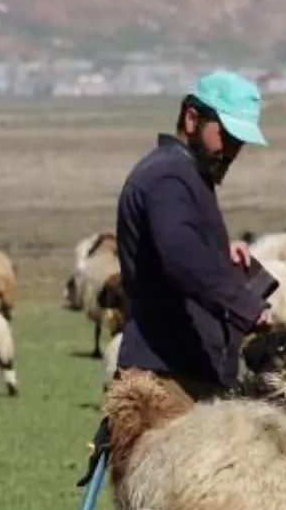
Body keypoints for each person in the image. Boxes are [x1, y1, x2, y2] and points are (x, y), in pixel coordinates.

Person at [111, 69, 275, 407]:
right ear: (191, 118)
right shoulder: (170, 176)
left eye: (239, 141)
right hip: (167, 378)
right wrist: (246, 306)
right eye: (226, 136)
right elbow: (180, 255)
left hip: (180, 370)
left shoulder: (182, 174)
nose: (232, 150)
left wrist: (218, 251)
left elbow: (173, 245)